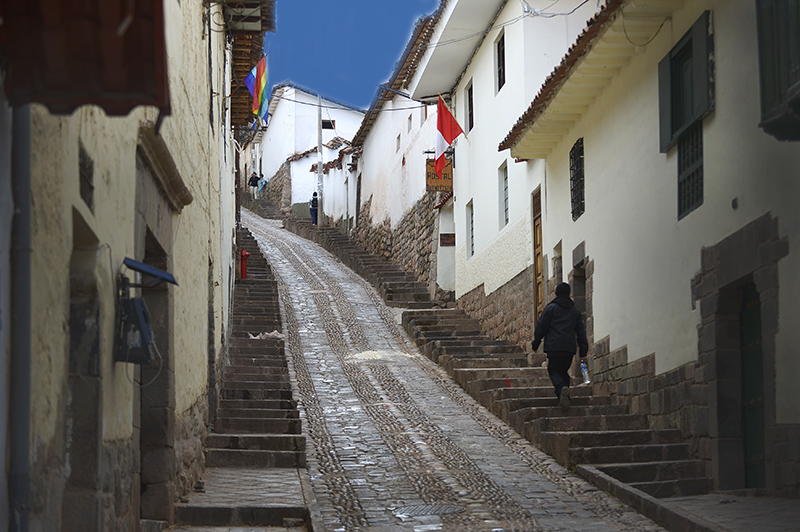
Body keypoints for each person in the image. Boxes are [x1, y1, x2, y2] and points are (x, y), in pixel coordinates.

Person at [532, 282, 588, 411]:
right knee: (563, 372)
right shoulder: (575, 311)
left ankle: (562, 389)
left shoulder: (550, 308)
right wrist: (583, 351)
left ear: (556, 293)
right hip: (569, 348)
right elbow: (580, 332)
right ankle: (564, 398)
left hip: (554, 346)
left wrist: (536, 343)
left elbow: (541, 326)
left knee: (553, 371)